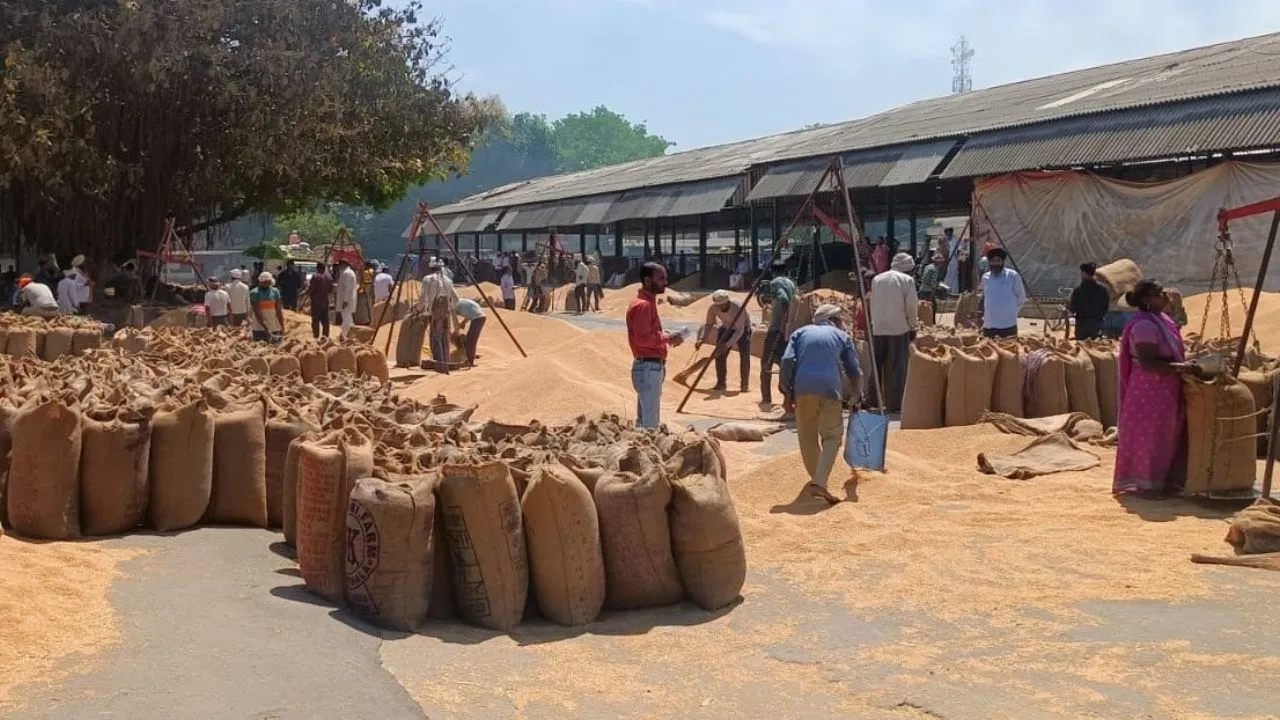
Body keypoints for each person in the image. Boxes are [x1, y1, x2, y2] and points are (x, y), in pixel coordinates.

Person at [1114, 280, 1201, 498]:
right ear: (1145, 300)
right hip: (1148, 390)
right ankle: (1145, 485)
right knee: (1149, 436)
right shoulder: (1145, 326)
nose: (1165, 297)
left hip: (1166, 390)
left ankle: (1162, 481)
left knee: (1166, 434)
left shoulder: (1163, 321)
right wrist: (1183, 368)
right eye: (1159, 294)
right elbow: (1148, 362)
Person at [780, 304, 862, 505]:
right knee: (832, 436)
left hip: (802, 389)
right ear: (834, 319)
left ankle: (818, 481)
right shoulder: (841, 336)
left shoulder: (799, 333)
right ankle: (819, 481)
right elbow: (854, 369)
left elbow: (787, 360)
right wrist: (857, 394)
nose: (843, 323)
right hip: (829, 389)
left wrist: (786, 391)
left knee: (807, 435)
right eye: (841, 320)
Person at [625, 262, 685, 428]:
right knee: (650, 425)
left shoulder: (648, 302)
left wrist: (668, 338)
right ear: (648, 280)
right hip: (648, 368)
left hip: (650, 367)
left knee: (644, 422)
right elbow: (643, 339)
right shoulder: (643, 305)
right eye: (661, 278)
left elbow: (649, 335)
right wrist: (667, 337)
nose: (665, 282)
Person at [869, 252, 919, 412]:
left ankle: (873, 400)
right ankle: (895, 404)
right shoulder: (907, 280)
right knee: (899, 366)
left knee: (876, 364)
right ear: (909, 268)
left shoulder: (877, 279)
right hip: (899, 328)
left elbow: (872, 302)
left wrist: (873, 323)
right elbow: (911, 307)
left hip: (878, 327)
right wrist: (913, 326)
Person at [759, 263, 799, 407]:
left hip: (777, 328)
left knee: (766, 363)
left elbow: (783, 299)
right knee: (786, 363)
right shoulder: (792, 283)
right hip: (790, 329)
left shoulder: (775, 283)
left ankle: (766, 398)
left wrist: (783, 318)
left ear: (772, 271)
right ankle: (788, 396)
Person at [697, 289, 752, 393]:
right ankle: (721, 383)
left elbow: (739, 331)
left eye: (724, 304)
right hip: (726, 327)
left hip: (743, 329)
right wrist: (702, 338)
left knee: (744, 356)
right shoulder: (713, 309)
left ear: (728, 302)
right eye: (719, 305)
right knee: (719, 354)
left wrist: (726, 345)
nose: (722, 307)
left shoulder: (738, 308)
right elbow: (709, 324)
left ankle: (744, 385)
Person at [419, 258, 459, 373]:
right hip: (446, 314)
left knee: (435, 338)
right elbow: (456, 299)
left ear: (430, 268)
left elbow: (422, 298)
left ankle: (439, 362)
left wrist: (419, 309)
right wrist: (449, 308)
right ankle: (445, 359)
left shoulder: (427, 279)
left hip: (434, 314)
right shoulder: (448, 280)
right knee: (444, 337)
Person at [978, 248, 1026, 338]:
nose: (995, 263)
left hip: (1007, 324)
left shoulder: (1013, 276)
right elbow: (985, 296)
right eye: (993, 261)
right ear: (989, 263)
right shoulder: (985, 277)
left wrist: (1012, 312)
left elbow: (1021, 297)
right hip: (989, 325)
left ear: (1003, 262)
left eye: (998, 261)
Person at [1069, 262, 1111, 340]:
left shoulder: (1078, 291)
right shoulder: (1103, 290)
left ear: (1084, 273)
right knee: (1096, 349)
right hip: (1097, 324)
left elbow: (1072, 307)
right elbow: (1106, 307)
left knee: (1081, 349)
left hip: (1082, 325)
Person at [249, 272, 285, 343]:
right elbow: (257, 313)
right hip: (259, 328)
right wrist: (266, 328)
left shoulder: (275, 292)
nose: (265, 284)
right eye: (264, 282)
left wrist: (282, 325)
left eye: (267, 282)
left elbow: (278, 311)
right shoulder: (254, 293)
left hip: (274, 327)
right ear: (260, 281)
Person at [454, 297, 487, 367]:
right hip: (480, 316)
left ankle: (469, 361)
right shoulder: (462, 301)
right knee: (471, 339)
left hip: (478, 318)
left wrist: (456, 331)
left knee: (471, 341)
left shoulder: (453, 306)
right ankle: (470, 357)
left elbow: (455, 321)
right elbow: (470, 312)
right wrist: (463, 322)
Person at [306, 262, 334, 339]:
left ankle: (316, 336)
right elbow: (331, 290)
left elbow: (312, 289)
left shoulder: (315, 276)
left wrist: (307, 293)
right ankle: (325, 337)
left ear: (317, 268)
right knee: (325, 321)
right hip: (325, 301)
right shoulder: (329, 277)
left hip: (316, 302)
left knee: (315, 320)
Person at [335, 258, 358, 338]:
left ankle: (345, 334)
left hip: (346, 300)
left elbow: (347, 288)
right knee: (348, 317)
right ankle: (349, 334)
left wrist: (345, 300)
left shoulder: (347, 273)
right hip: (347, 299)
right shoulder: (348, 272)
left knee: (346, 317)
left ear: (343, 265)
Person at [942, 227, 961, 293]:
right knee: (947, 276)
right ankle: (946, 291)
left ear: (951, 232)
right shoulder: (944, 240)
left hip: (953, 260)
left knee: (954, 276)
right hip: (946, 261)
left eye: (949, 232)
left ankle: (954, 291)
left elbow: (959, 249)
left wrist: (956, 256)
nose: (948, 234)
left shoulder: (955, 239)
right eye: (946, 233)